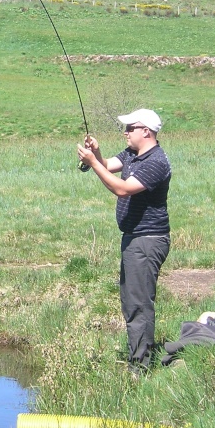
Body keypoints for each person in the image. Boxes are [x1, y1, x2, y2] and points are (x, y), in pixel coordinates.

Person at [77, 108, 171, 373]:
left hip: (148, 240)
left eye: (131, 128)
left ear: (146, 131)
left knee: (139, 304)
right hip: (134, 239)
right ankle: (138, 359)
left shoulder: (156, 161)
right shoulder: (132, 154)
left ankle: (140, 369)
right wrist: (97, 153)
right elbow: (108, 165)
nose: (126, 132)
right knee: (130, 301)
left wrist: (92, 163)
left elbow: (122, 189)